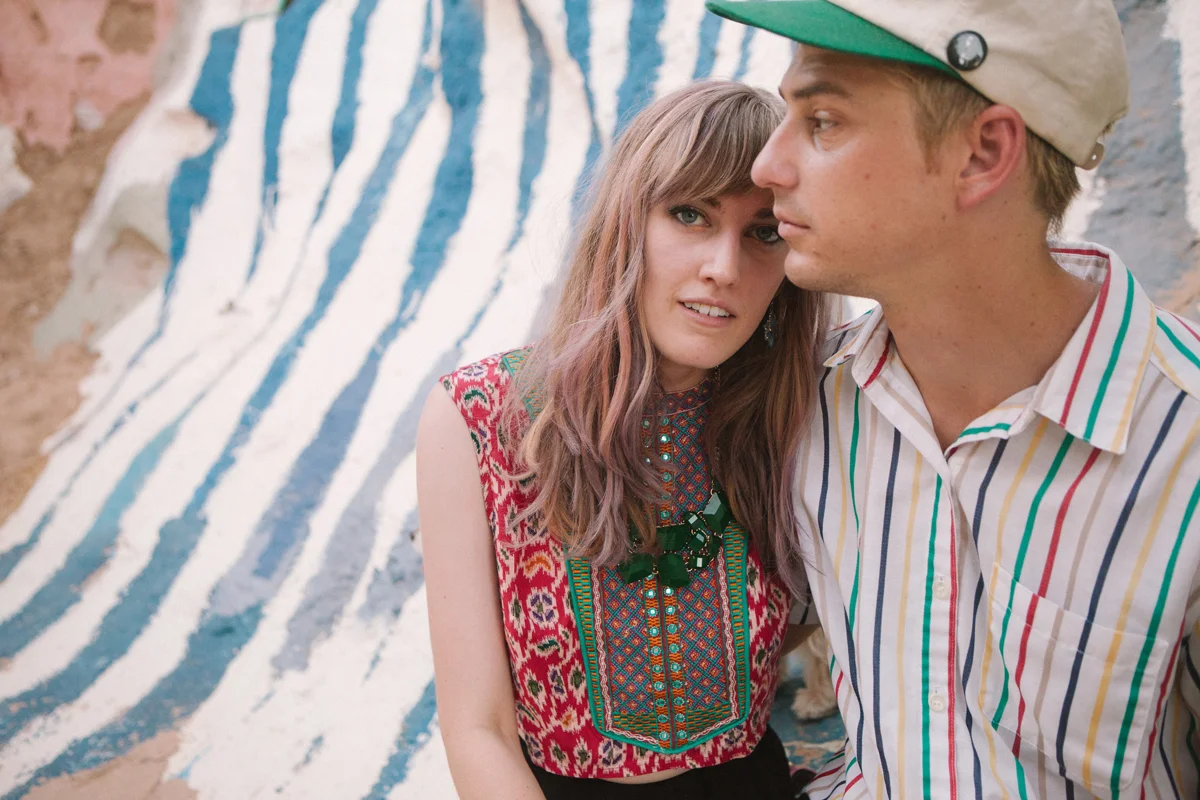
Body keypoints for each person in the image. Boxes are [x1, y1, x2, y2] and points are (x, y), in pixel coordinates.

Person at [702, 1, 1200, 798]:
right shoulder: (801, 410)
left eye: (823, 120)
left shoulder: (1184, 445)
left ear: (983, 152)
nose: (769, 167)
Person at [416, 80, 828, 800]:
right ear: (626, 223)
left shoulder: (803, 417)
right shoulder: (480, 417)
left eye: (764, 231)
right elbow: (477, 728)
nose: (723, 268)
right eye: (690, 214)